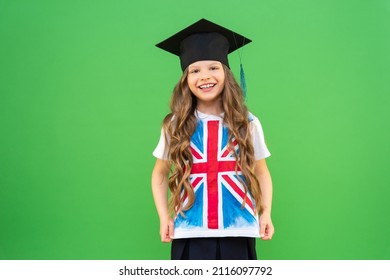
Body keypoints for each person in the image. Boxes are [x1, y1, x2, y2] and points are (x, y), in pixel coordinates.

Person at [151, 18, 274, 260]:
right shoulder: (175, 125)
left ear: (226, 73)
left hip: (238, 231)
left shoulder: (247, 123)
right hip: (189, 231)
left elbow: (261, 171)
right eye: (195, 70)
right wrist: (164, 217)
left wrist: (266, 212)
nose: (205, 76)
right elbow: (159, 172)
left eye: (213, 68)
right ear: (185, 79)